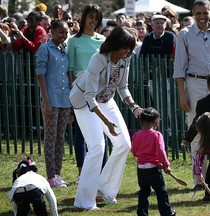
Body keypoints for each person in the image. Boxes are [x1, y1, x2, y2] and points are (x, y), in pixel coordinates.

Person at [70, 26, 142, 210]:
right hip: (85, 101)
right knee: (97, 147)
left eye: (129, 48)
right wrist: (107, 122)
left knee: (124, 144)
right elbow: (90, 96)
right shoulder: (98, 59)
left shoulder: (126, 59)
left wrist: (133, 106)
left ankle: (105, 189)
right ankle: (84, 202)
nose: (127, 52)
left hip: (106, 100)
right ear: (114, 45)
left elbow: (122, 87)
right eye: (124, 47)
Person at [173, 0, 210, 190]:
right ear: (193, 12)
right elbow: (179, 68)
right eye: (198, 13)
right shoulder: (184, 34)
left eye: (205, 13)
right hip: (195, 84)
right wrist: (183, 95)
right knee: (197, 131)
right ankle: (199, 179)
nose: (201, 16)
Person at [67, 4, 107, 182]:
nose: (93, 21)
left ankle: (102, 173)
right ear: (83, 18)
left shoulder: (103, 41)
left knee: (102, 132)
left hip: (99, 90)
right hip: (80, 90)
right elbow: (70, 69)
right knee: (81, 133)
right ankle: (82, 173)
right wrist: (71, 95)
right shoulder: (73, 41)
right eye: (91, 17)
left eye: (96, 18)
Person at [36, 20, 72, 188]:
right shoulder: (45, 49)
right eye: (61, 33)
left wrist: (71, 104)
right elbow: (40, 76)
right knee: (50, 139)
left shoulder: (65, 50)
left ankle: (57, 174)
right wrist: (47, 102)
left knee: (60, 139)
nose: (64, 36)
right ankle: (51, 176)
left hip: (65, 101)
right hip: (51, 101)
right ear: (52, 32)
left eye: (66, 33)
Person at [131, 107, 176, 216]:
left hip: (141, 169)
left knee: (143, 192)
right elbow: (161, 151)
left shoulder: (136, 135)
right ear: (156, 124)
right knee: (161, 191)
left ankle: (142, 213)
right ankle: (167, 213)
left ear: (141, 122)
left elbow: (134, 151)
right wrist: (166, 165)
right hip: (153, 169)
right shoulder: (157, 135)